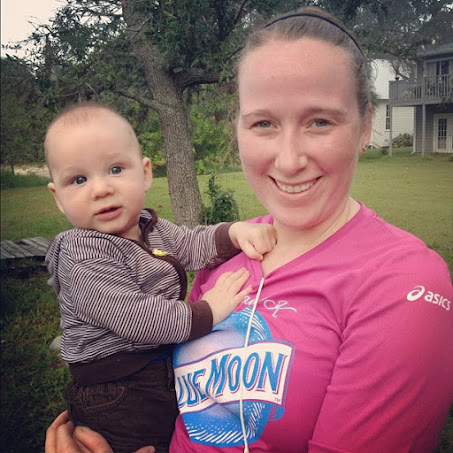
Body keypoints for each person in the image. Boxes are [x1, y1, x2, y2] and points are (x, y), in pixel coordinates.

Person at [45, 6, 453, 453]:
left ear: (365, 126)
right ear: (238, 127)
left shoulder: (402, 283)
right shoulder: (232, 256)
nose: (289, 160)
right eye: (263, 123)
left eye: (320, 121)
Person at [44, 102, 277, 453]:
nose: (101, 189)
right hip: (116, 392)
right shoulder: (81, 253)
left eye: (116, 169)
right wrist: (208, 311)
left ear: (146, 173)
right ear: (58, 198)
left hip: (155, 371)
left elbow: (191, 243)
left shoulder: (150, 228)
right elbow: (135, 317)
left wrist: (233, 233)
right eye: (79, 179)